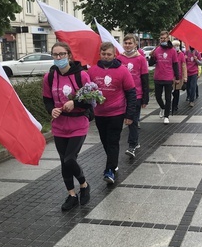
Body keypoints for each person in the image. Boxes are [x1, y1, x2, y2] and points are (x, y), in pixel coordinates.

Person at [43, 41, 91, 211]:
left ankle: (84, 185)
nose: (58, 58)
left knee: (69, 159)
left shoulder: (82, 76)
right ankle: (71, 194)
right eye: (55, 55)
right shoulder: (49, 77)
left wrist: (75, 101)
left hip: (78, 123)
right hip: (59, 125)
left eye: (62, 54)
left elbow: (90, 101)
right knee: (64, 163)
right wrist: (52, 110)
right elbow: (47, 100)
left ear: (69, 55)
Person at [88, 42, 137, 183]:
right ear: (100, 54)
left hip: (117, 112)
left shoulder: (122, 71)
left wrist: (129, 115)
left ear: (114, 55)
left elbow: (131, 93)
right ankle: (113, 162)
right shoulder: (92, 71)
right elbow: (86, 90)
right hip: (100, 113)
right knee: (105, 141)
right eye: (103, 54)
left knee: (113, 141)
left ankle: (109, 171)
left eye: (109, 54)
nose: (106, 57)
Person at [117, 34, 149, 159]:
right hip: (121, 95)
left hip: (136, 95)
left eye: (130, 43)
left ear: (135, 44)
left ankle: (132, 145)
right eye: (125, 43)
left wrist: (145, 97)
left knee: (133, 121)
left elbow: (144, 78)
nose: (127, 45)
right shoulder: (119, 58)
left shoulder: (140, 59)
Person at [149, 31, 179, 125]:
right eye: (161, 38)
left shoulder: (173, 50)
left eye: (165, 38)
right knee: (158, 97)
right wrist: (152, 56)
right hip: (158, 77)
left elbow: (175, 64)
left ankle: (166, 116)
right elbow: (150, 64)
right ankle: (162, 107)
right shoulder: (157, 49)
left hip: (168, 77)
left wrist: (177, 77)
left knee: (168, 97)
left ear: (168, 38)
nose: (163, 40)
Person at [171, 40, 187, 113]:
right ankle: (171, 105)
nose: (176, 47)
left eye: (177, 46)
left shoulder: (181, 54)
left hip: (179, 76)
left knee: (176, 92)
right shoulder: (170, 53)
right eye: (175, 46)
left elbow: (183, 66)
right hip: (170, 76)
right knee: (171, 92)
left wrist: (185, 77)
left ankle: (175, 105)